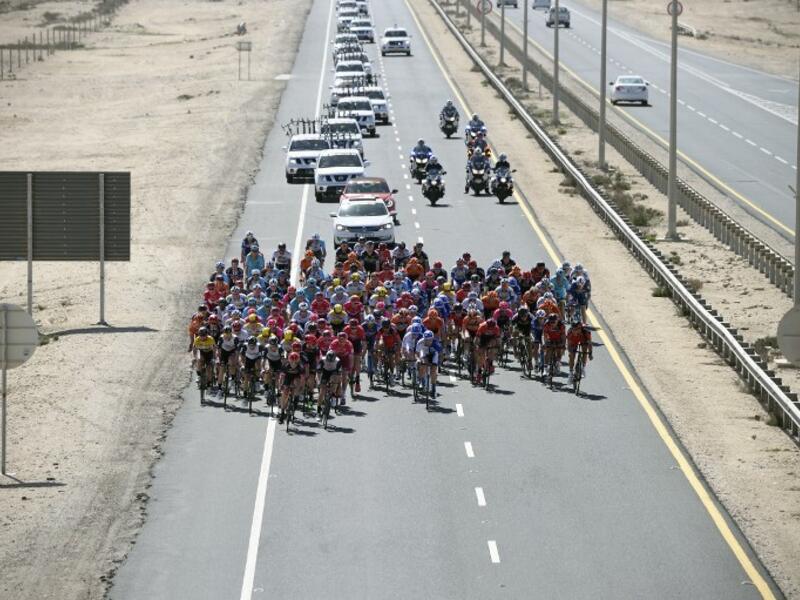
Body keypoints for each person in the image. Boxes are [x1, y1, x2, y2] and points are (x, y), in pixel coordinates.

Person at [416, 330, 442, 397]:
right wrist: (419, 360)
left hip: (433, 355)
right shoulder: (420, 342)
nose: (428, 341)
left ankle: (433, 388)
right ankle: (421, 380)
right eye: (426, 340)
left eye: (430, 340)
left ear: (432, 339)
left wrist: (438, 364)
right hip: (424, 354)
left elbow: (441, 354)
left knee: (433, 371)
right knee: (422, 365)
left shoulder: (436, 343)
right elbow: (417, 353)